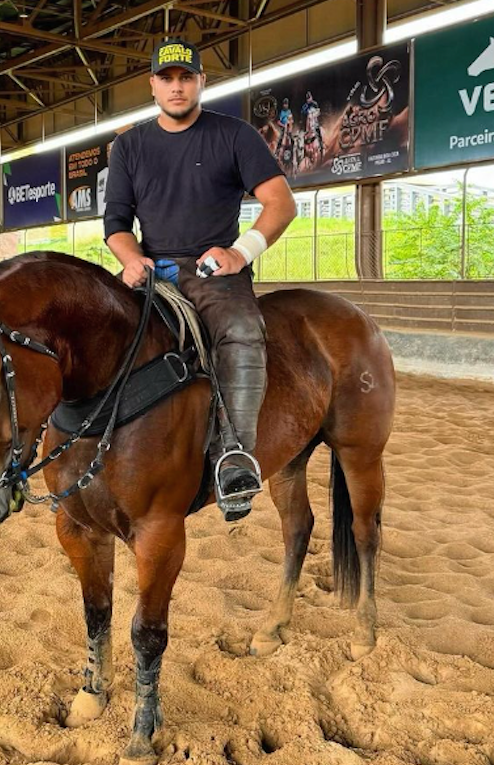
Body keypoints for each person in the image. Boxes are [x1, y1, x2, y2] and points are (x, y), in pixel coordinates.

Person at [103, 37, 296, 521]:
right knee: (95, 324)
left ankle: (236, 457)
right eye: (166, 78)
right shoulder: (129, 145)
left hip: (214, 271)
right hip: (149, 267)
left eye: (186, 77)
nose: (176, 86)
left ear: (201, 82)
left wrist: (239, 251)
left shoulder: (235, 136)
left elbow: (281, 203)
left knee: (243, 330)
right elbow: (117, 225)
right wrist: (129, 259)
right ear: (152, 86)